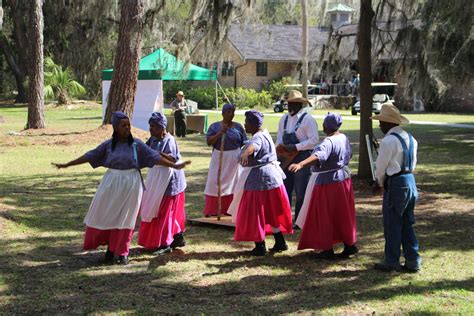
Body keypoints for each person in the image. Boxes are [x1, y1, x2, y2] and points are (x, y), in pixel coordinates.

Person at [52, 111, 190, 265]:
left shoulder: (137, 144)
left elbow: (155, 157)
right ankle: (110, 251)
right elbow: (91, 155)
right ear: (116, 128)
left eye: (128, 125)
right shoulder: (108, 145)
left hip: (131, 185)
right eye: (123, 125)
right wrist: (67, 164)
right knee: (109, 216)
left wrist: (175, 165)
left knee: (126, 219)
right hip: (111, 184)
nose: (127, 128)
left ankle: (123, 252)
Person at [289, 113, 357, 259]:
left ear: (326, 126)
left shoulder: (328, 141)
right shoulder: (343, 137)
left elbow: (318, 156)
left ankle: (327, 249)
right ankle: (349, 245)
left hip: (328, 182)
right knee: (343, 214)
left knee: (325, 214)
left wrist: (300, 164)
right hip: (343, 180)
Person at [229, 110, 293, 256]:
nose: (244, 125)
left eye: (246, 123)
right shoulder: (265, 133)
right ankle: (280, 242)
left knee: (255, 212)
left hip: (259, 181)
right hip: (272, 179)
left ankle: (260, 245)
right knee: (271, 212)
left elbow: (254, 147)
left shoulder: (257, 138)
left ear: (252, 124)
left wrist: (245, 153)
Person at [371, 103, 421, 273]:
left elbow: (381, 167)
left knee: (392, 223)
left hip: (396, 182)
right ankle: (413, 261)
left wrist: (379, 182)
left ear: (388, 123)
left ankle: (391, 261)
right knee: (408, 223)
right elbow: (413, 163)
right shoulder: (411, 138)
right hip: (410, 180)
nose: (379, 125)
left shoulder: (388, 141)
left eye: (381, 122)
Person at [138, 112, 187, 254]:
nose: (151, 129)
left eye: (154, 126)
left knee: (166, 212)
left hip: (170, 180)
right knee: (158, 209)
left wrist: (156, 154)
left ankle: (165, 244)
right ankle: (177, 237)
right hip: (157, 178)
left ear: (162, 127)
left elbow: (172, 159)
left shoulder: (169, 140)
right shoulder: (153, 139)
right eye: (150, 126)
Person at [276, 90, 319, 226]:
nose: (291, 106)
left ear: (301, 104)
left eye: (294, 103)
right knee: (285, 189)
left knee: (301, 191)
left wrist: (296, 147)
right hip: (285, 157)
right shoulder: (283, 119)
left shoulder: (308, 119)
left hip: (302, 157)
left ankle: (300, 221)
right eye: (289, 103)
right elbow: (279, 138)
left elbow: (314, 140)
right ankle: (285, 219)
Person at [203, 103, 247, 217]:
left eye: (232, 112)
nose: (231, 114)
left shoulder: (238, 127)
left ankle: (231, 209)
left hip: (234, 158)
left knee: (234, 183)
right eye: (228, 112)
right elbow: (209, 142)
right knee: (215, 182)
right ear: (223, 113)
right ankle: (214, 209)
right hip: (219, 156)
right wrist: (220, 133)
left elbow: (244, 143)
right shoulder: (215, 126)